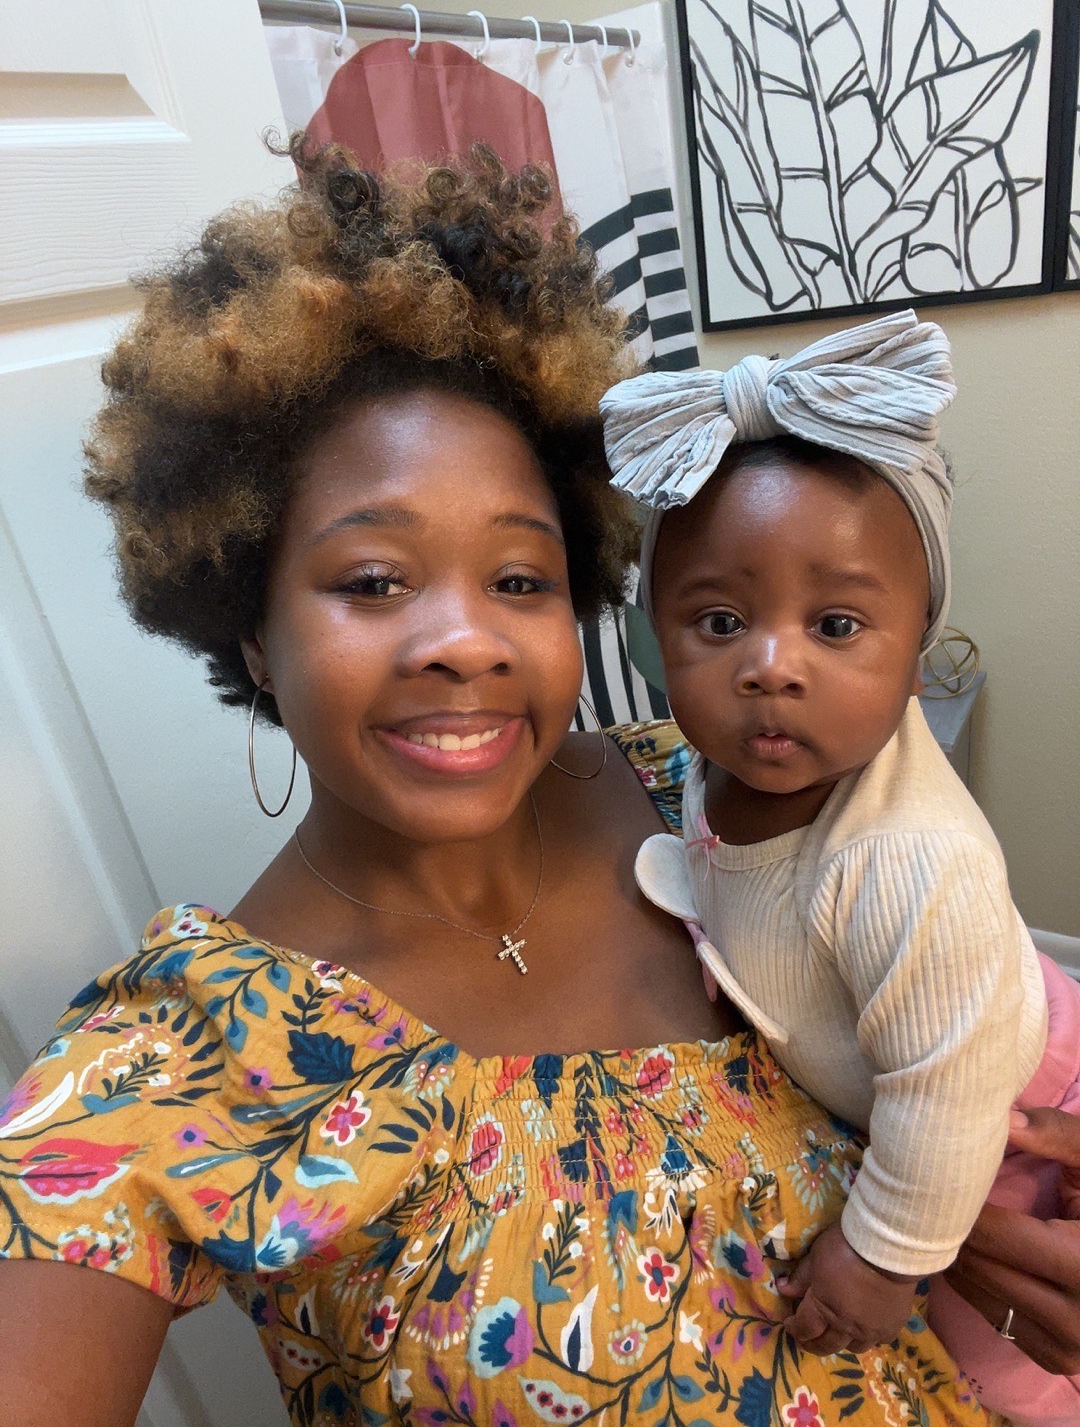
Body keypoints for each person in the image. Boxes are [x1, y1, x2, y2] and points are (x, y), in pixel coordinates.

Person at [0, 141, 1074, 1427]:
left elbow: (985, 1024)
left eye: (521, 579)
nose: (468, 638)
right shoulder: (184, 1055)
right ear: (248, 629)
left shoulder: (724, 798)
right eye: (372, 581)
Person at [600, 313, 1080, 1425]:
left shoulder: (908, 863)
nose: (771, 666)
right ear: (655, 645)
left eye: (836, 623)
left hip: (1003, 1117)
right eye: (719, 620)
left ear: (916, 656)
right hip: (920, 1078)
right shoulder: (710, 767)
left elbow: (946, 1099)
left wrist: (879, 1258)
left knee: (1010, 1357)